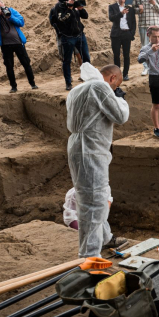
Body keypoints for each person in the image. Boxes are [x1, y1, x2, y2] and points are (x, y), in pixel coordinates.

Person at [66, 63, 129, 257]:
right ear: (112, 79)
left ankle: (105, 238)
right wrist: (119, 100)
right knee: (93, 203)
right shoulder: (99, 87)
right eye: (116, 85)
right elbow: (121, 116)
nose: (115, 89)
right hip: (90, 150)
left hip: (80, 147)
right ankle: (89, 255)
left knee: (97, 197)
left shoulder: (77, 89)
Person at [0, 0, 37, 93]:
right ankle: (13, 87)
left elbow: (21, 22)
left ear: (4, 5)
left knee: (26, 63)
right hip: (5, 45)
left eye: (1, 7)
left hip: (18, 43)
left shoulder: (12, 11)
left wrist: (10, 17)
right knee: (9, 66)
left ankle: (33, 83)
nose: (1, 9)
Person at [50, 0, 92, 90]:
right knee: (67, 60)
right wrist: (69, 9)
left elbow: (85, 16)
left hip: (80, 35)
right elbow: (61, 19)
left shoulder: (74, 4)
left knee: (86, 57)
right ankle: (68, 83)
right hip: (67, 37)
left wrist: (81, 9)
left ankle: (88, 78)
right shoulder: (59, 6)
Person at [132, 0, 159, 76]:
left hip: (155, 24)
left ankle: (157, 65)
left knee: (157, 45)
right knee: (145, 47)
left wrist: (154, 4)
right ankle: (146, 67)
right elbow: (133, 10)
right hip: (143, 24)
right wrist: (139, 9)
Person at [108, 0, 137, 81]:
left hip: (126, 33)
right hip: (116, 34)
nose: (122, 0)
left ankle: (125, 74)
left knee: (126, 55)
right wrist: (121, 13)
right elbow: (111, 18)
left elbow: (133, 22)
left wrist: (131, 33)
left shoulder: (130, 9)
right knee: (116, 55)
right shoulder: (112, 7)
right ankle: (117, 74)